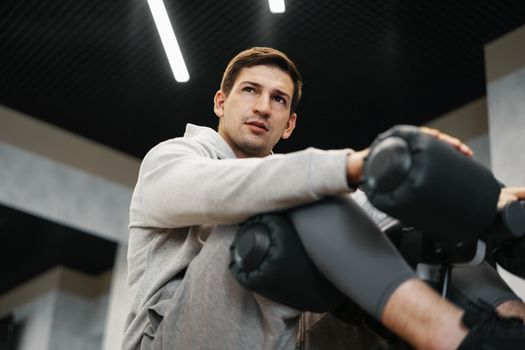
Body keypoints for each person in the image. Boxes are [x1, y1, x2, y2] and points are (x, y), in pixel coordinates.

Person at [122, 47, 525, 350]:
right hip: (173, 339)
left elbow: (360, 209)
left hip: (287, 337)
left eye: (278, 99)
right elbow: (225, 188)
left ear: (289, 124)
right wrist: (360, 164)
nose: (263, 106)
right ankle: (445, 333)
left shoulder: (294, 184)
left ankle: (510, 326)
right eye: (250, 91)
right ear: (221, 103)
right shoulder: (172, 157)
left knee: (413, 236)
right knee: (291, 194)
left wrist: (485, 207)